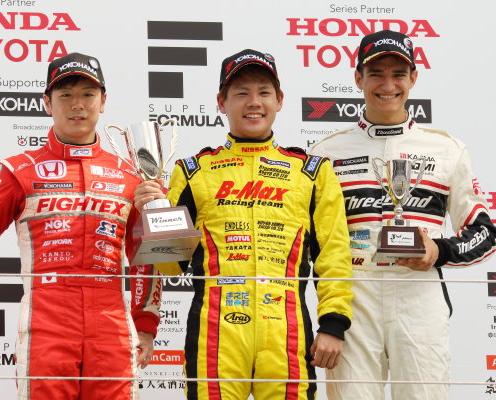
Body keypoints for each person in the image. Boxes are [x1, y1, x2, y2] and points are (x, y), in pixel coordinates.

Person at [0, 52, 162, 400]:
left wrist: (145, 326)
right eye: (65, 95)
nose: (77, 105)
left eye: (87, 94)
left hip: (111, 327)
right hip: (47, 326)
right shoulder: (18, 170)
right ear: (46, 103)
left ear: (103, 101)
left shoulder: (132, 175)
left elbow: (147, 258)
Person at [138, 49, 353, 400]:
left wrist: (333, 324)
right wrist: (155, 212)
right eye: (241, 93)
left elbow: (334, 255)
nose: (254, 102)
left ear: (280, 100)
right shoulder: (193, 170)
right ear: (221, 102)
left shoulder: (311, 171)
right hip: (214, 333)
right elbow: (170, 263)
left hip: (288, 333)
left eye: (264, 92)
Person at [311, 30, 496, 399]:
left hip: (420, 297)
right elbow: (312, 240)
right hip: (354, 298)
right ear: (358, 78)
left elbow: (485, 234)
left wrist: (438, 251)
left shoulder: (447, 150)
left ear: (413, 78)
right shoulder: (326, 153)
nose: (388, 84)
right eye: (376, 73)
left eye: (398, 74)